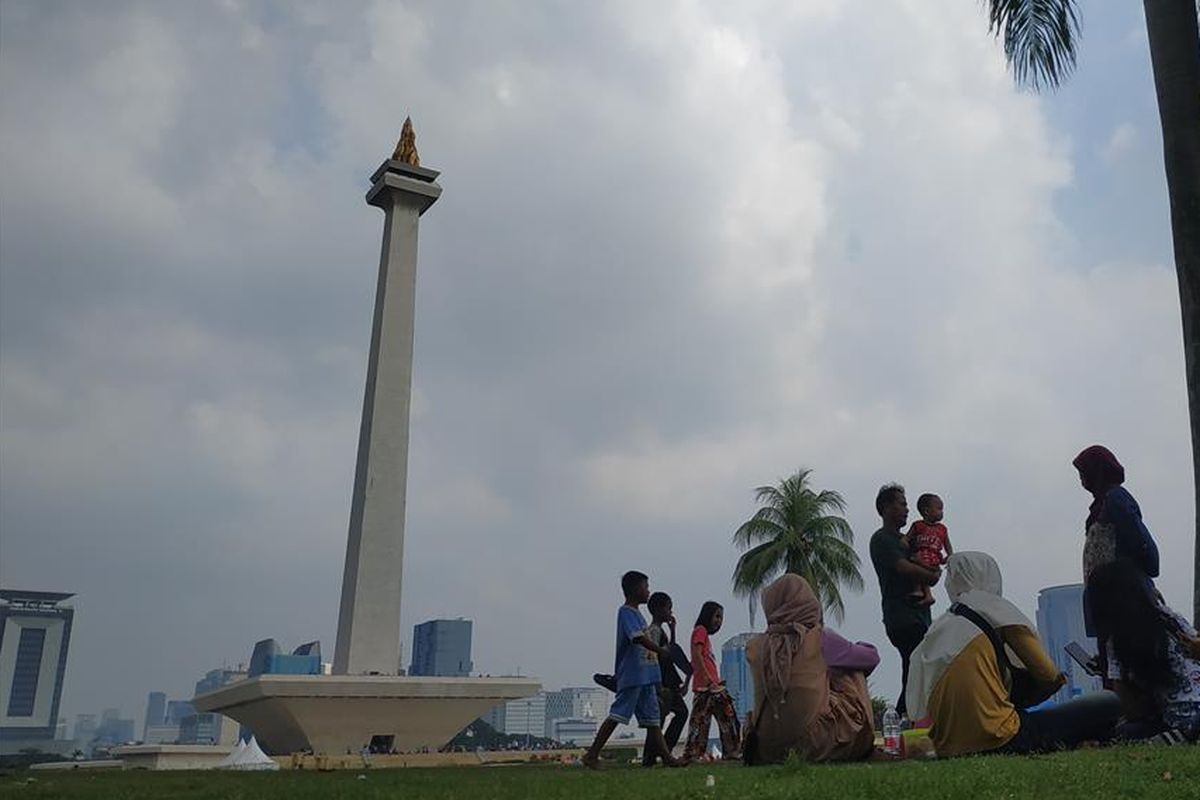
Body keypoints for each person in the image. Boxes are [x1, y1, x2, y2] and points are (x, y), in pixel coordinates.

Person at [906, 552, 1120, 756]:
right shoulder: (997, 612)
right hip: (1003, 738)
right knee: (1109, 702)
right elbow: (1049, 676)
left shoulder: (938, 628)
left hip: (947, 747)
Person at [744, 574, 879, 764]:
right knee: (852, 670)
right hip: (815, 744)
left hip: (767, 748)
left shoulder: (755, 647)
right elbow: (871, 658)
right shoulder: (819, 638)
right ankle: (862, 741)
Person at [1088, 559, 1200, 743]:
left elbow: (1131, 710)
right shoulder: (1171, 619)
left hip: (1180, 719)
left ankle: (1184, 735)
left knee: (1121, 732)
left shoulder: (1116, 642)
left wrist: (1115, 675)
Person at [582, 571, 681, 769]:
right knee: (617, 714)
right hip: (633, 676)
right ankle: (592, 754)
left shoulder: (639, 616)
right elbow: (637, 638)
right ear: (635, 589)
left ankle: (668, 758)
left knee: (653, 720)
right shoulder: (626, 612)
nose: (648, 591)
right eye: (646, 586)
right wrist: (660, 650)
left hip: (645, 678)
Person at [1073, 445, 1160, 649]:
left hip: (1125, 602)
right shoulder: (1100, 506)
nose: (1081, 479)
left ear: (1097, 471)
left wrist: (1138, 582)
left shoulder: (1115, 499)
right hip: (1109, 602)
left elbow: (1142, 544)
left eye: (1083, 472)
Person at [869, 483, 940, 717]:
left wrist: (932, 572)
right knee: (915, 671)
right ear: (886, 508)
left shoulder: (907, 540)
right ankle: (901, 720)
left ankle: (906, 720)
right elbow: (904, 568)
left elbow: (928, 566)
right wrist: (931, 575)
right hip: (902, 617)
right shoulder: (882, 539)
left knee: (915, 671)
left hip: (918, 616)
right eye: (902, 504)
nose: (907, 510)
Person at [682, 601, 741, 761]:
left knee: (705, 722)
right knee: (726, 718)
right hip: (707, 688)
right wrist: (709, 680)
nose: (719, 621)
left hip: (711, 687)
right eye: (716, 616)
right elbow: (697, 655)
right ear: (707, 615)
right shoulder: (700, 631)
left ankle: (696, 753)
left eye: (721, 618)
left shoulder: (704, 635)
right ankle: (729, 751)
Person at [642, 591, 691, 764]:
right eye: (668, 608)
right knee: (664, 717)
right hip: (663, 682)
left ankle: (657, 754)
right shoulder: (654, 631)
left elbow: (668, 652)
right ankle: (659, 753)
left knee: (661, 718)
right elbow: (659, 655)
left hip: (666, 680)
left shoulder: (659, 631)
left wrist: (672, 631)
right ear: (658, 609)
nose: (671, 612)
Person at [904, 493, 953, 607]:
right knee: (917, 569)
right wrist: (904, 543)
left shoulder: (942, 529)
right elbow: (907, 537)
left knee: (920, 569)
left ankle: (924, 593)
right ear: (926, 511)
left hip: (933, 557)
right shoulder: (918, 525)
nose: (942, 512)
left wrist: (950, 556)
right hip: (921, 555)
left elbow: (947, 545)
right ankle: (924, 593)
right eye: (939, 509)